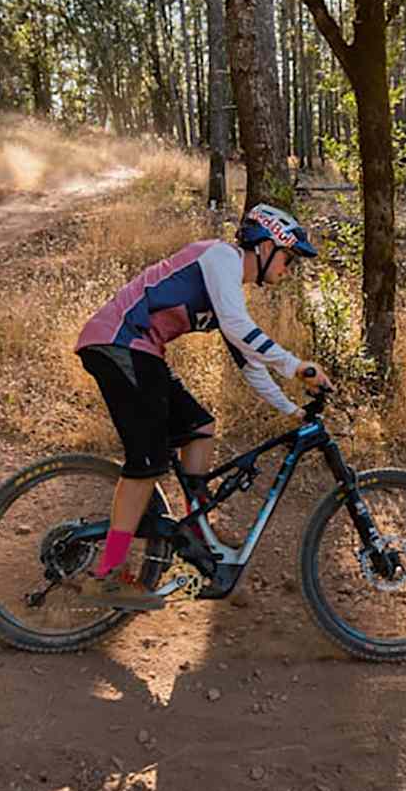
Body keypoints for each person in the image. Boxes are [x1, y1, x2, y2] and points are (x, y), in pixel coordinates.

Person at [71, 204, 331, 609]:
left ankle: (195, 531)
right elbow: (241, 331)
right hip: (118, 342)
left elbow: (249, 364)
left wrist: (292, 411)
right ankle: (108, 573)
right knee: (150, 459)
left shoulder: (227, 291)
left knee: (199, 427)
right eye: (288, 258)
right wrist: (297, 366)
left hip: (142, 351)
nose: (289, 269)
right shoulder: (220, 257)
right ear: (265, 247)